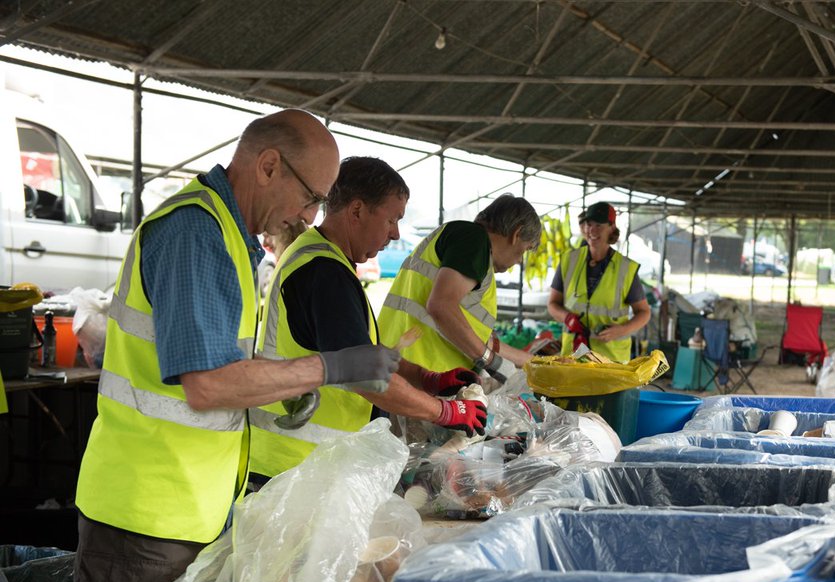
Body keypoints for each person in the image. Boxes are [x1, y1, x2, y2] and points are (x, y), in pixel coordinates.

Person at [72, 109, 400, 582]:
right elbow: (206, 384)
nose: (313, 215)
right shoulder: (196, 231)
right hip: (141, 525)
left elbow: (223, 371)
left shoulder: (236, 240)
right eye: (312, 196)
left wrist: (278, 392)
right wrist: (325, 368)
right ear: (268, 165)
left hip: (187, 521)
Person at [249, 156, 486, 481]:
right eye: (392, 220)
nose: (395, 233)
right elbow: (363, 376)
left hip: (300, 463)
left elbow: (357, 352)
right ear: (357, 211)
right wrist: (446, 411)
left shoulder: (317, 256)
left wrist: (426, 378)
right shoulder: (325, 272)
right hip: (300, 466)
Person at [377, 193, 540, 381]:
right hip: (418, 375)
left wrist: (534, 362)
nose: (520, 260)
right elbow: (442, 305)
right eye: (526, 249)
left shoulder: (470, 250)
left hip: (400, 368)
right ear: (516, 234)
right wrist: (490, 361)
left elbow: (476, 337)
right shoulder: (473, 240)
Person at [547, 201, 651, 362]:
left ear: (611, 227)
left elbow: (644, 312)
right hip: (573, 357)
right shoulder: (569, 261)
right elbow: (553, 304)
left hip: (610, 360)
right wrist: (567, 317)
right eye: (589, 224)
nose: (592, 230)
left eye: (599, 225)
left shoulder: (625, 268)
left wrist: (622, 330)